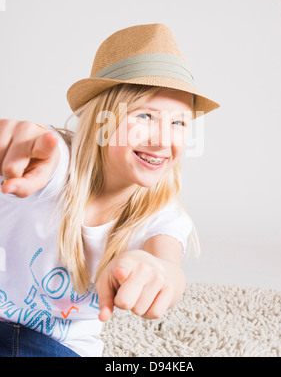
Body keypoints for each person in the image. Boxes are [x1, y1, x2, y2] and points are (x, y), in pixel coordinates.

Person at [0, 23, 220, 357]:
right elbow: (43, 148)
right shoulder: (55, 162)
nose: (163, 140)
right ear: (101, 122)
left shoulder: (163, 215)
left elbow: (169, 265)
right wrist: (22, 143)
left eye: (178, 122)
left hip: (58, 347)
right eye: (145, 116)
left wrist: (160, 274)